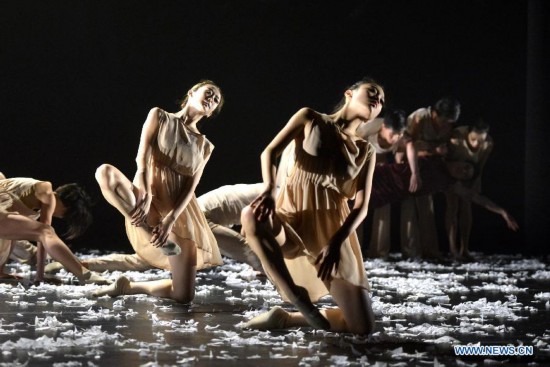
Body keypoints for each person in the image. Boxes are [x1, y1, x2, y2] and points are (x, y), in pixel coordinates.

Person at [240, 77, 384, 335]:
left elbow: (361, 206)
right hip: (293, 220)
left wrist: (336, 243)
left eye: (382, 101)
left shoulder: (366, 150)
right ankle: (296, 295)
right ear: (349, 93)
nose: (378, 100)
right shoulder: (311, 118)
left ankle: (284, 318)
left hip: (331, 234)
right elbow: (269, 152)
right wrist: (270, 189)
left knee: (362, 327)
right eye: (372, 92)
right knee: (250, 214)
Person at [93, 80, 224, 303]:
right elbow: (141, 157)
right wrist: (147, 195)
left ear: (211, 113)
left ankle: (128, 286)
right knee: (104, 172)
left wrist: (171, 219)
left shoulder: (205, 146)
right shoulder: (160, 116)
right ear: (191, 92)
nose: (211, 100)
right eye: (209, 93)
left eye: (216, 101)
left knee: (183, 296)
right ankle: (145, 229)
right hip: (145, 197)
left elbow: (191, 187)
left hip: (177, 212)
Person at [45, 183, 265, 274]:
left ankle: (79, 264)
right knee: (254, 255)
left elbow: (136, 261)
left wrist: (84, 264)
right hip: (198, 218)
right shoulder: (280, 194)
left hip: (201, 214)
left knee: (256, 256)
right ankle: (279, 275)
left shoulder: (275, 194)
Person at [0, 176, 109, 284]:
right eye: (66, 214)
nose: (62, 217)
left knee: (42, 231)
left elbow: (12, 236)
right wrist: (40, 276)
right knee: (46, 230)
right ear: (67, 206)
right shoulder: (46, 190)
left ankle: (82, 273)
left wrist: (39, 276)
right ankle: (83, 274)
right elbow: (44, 234)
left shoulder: (31, 202)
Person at [396, 97, 460, 259]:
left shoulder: (447, 126)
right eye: (444, 120)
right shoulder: (420, 117)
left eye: (449, 122)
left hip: (429, 167)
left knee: (427, 207)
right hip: (410, 163)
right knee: (409, 206)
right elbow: (405, 145)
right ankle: (410, 251)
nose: (446, 124)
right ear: (435, 114)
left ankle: (429, 250)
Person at [355, 109, 406, 258]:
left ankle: (379, 250)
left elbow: (401, 153)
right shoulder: (369, 127)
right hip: (361, 167)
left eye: (398, 135)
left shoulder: (400, 136)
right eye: (392, 135)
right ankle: (354, 249)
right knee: (358, 207)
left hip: (382, 171)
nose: (395, 138)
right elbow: (352, 145)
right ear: (383, 127)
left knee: (384, 205)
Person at [444, 119, 493, 260]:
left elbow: (480, 166)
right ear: (468, 134)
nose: (477, 144)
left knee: (467, 207)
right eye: (473, 139)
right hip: (453, 173)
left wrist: (475, 180)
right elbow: (447, 159)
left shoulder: (488, 144)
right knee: (452, 207)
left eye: (480, 141)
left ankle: (464, 247)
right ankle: (453, 248)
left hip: (470, 175)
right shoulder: (456, 138)